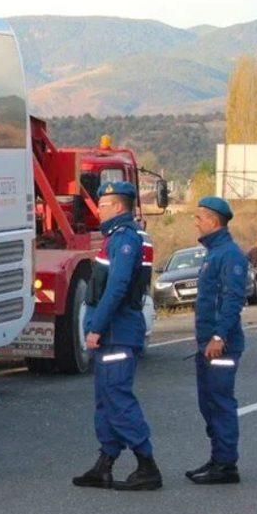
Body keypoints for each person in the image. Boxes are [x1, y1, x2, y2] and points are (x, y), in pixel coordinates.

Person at [72, 181, 162, 491]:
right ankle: (105, 464)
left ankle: (146, 464)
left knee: (118, 399)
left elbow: (118, 286)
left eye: (105, 204)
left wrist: (96, 326)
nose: (99, 209)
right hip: (113, 332)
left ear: (120, 207)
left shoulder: (125, 239)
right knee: (105, 401)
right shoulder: (116, 237)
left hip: (117, 332)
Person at [186, 196, 246, 485]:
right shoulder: (214, 252)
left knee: (220, 403)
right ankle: (217, 457)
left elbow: (234, 299)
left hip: (220, 344)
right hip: (207, 344)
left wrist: (219, 336)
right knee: (208, 403)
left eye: (199, 217)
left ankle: (226, 465)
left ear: (212, 221)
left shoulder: (229, 254)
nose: (195, 222)